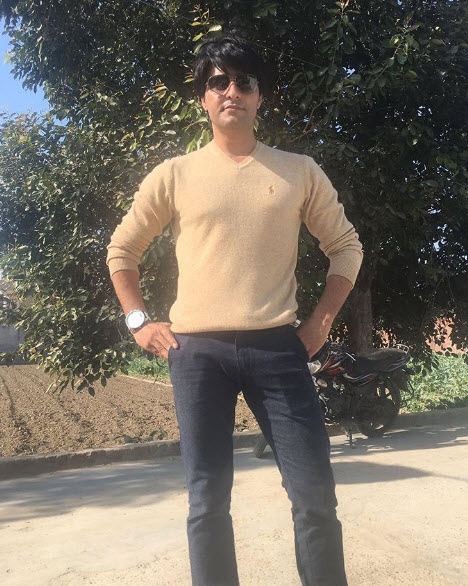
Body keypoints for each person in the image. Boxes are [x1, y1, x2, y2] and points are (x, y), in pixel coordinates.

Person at [106, 32, 363, 586]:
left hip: (279, 348)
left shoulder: (299, 170)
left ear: (259, 96)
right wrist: (138, 321)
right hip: (197, 352)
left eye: (244, 82)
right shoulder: (174, 175)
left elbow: (346, 247)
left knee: (315, 494)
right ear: (204, 97)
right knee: (207, 500)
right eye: (218, 81)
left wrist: (320, 321)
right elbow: (122, 250)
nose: (231, 91)